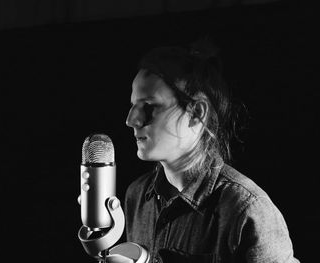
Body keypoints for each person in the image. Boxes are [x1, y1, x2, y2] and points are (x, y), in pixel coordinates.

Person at [123, 40, 300, 263]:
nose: (131, 120)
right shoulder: (136, 197)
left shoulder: (247, 209)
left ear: (197, 113)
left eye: (149, 106)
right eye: (132, 105)